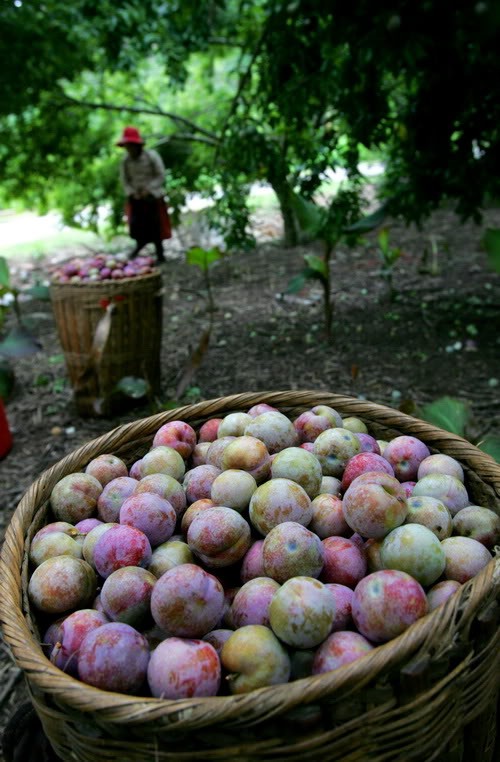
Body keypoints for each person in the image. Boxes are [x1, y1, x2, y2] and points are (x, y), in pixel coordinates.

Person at [116, 126, 172, 262]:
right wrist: (132, 192)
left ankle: (160, 255)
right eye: (126, 146)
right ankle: (138, 248)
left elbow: (160, 175)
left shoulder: (151, 156)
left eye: (131, 146)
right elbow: (125, 180)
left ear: (137, 145)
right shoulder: (125, 161)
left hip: (152, 197)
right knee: (137, 227)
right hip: (136, 198)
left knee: (155, 227)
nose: (129, 149)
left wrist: (149, 189)